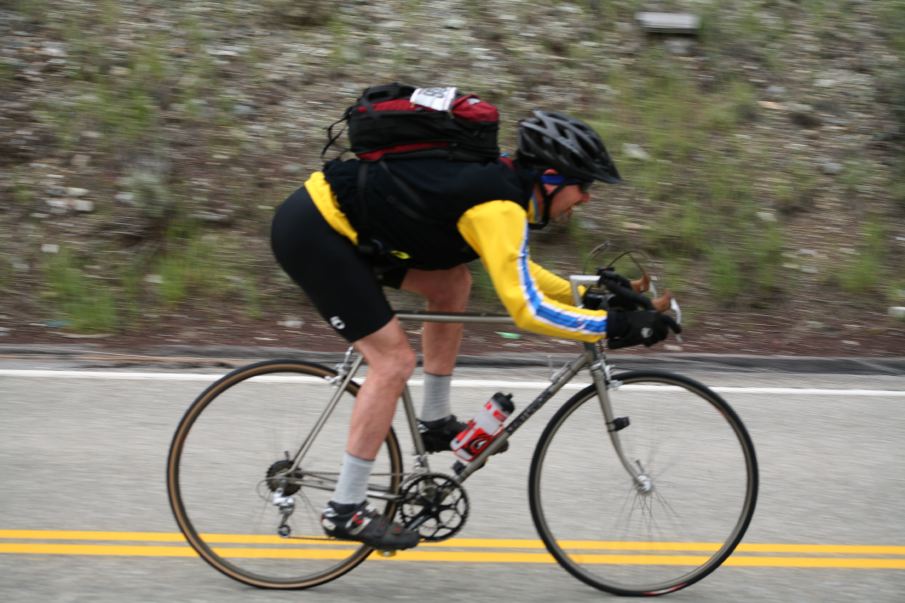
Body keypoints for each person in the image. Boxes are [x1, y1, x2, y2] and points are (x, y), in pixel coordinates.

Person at [270, 109, 680, 551]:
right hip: (317, 232)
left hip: (351, 231)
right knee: (393, 360)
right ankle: (345, 508)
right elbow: (526, 310)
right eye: (584, 185)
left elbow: (517, 271)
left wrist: (590, 295)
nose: (586, 199)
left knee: (452, 283)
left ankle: (435, 421)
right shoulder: (499, 205)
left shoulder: (506, 189)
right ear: (551, 178)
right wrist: (612, 326)